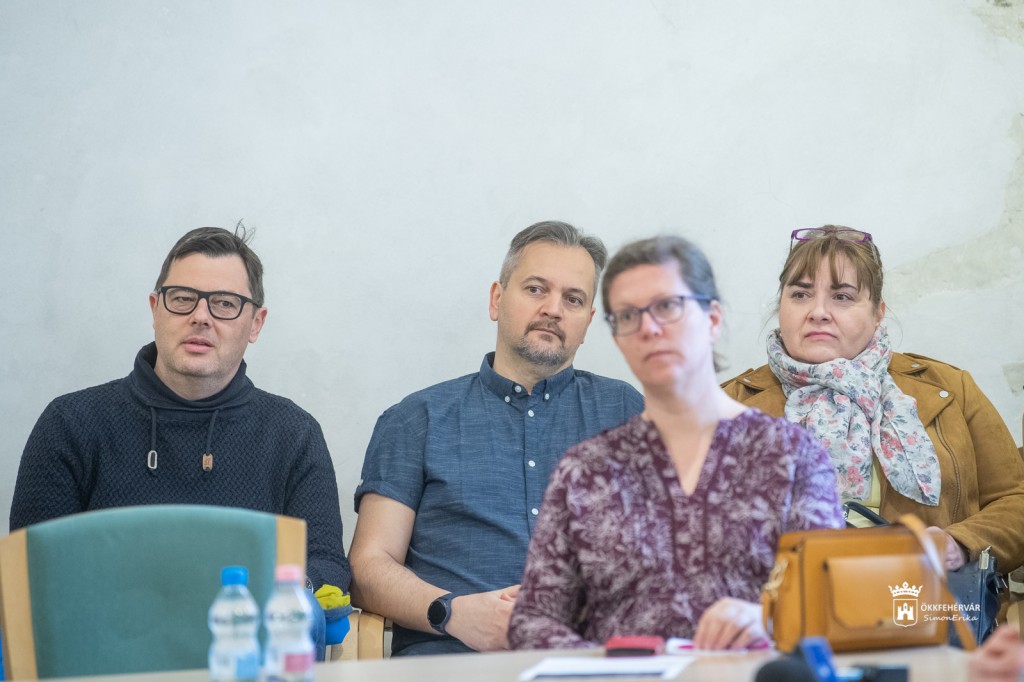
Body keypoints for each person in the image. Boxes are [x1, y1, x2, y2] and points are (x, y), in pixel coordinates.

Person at [507, 235, 844, 651]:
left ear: (713, 319)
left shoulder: (792, 455)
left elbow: (833, 603)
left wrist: (771, 620)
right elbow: (532, 621)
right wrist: (610, 663)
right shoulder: (585, 472)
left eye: (667, 306)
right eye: (628, 316)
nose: (649, 328)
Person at [348, 221, 645, 656]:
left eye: (573, 299)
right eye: (536, 289)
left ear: (587, 322)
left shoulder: (625, 412)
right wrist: (454, 612)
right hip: (454, 658)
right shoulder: (418, 419)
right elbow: (367, 566)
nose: (553, 309)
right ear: (496, 299)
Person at [10, 226, 350, 593]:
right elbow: (30, 573)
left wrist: (276, 593)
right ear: (155, 310)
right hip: (105, 630)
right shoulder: (70, 423)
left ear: (256, 324)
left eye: (225, 303)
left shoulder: (294, 434)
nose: (201, 316)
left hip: (244, 627)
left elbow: (327, 566)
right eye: (183, 298)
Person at [722, 226, 1024, 574]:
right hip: (783, 602)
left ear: (878, 312)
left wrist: (959, 544)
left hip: (921, 599)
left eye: (842, 297)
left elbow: (1014, 502)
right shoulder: (728, 407)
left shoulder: (950, 389)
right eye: (801, 294)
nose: (818, 312)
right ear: (781, 306)